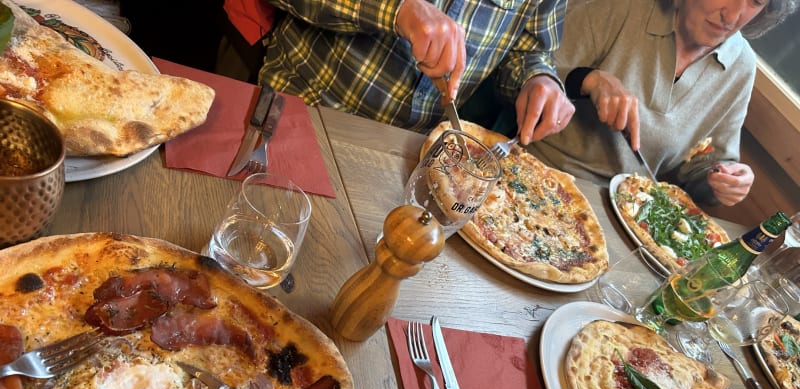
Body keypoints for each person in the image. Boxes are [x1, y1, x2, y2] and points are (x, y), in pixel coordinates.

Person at [527, 0, 799, 206]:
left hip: (628, 213)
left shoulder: (741, 67)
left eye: (755, 1)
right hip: (537, 174)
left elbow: (702, 169)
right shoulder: (626, 6)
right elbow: (526, 65)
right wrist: (587, 80)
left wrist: (725, 181)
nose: (732, 15)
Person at [253, 0, 575, 143]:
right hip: (303, 111)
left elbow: (529, 49)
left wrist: (537, 78)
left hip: (407, 154)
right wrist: (397, 8)